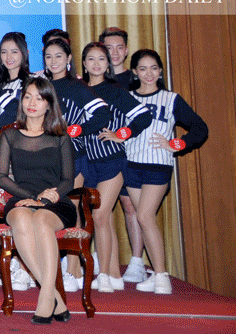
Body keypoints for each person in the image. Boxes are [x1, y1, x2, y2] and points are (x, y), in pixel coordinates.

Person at [0, 77, 77, 324]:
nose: (32, 103)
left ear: (49, 104)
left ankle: (45, 298)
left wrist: (48, 198)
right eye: (28, 97)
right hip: (22, 197)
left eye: (39, 98)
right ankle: (54, 297)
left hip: (56, 202)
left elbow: (68, 180)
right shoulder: (10, 136)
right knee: (21, 217)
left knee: (41, 219)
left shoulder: (60, 137)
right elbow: (1, 178)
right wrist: (32, 197)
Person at [125, 49, 207, 294]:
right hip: (131, 165)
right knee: (143, 218)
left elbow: (200, 128)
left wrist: (177, 144)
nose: (148, 73)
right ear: (135, 72)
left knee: (144, 216)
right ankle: (157, 274)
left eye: (153, 68)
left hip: (158, 165)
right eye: (143, 69)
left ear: (160, 71)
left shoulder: (171, 99)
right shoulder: (127, 98)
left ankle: (162, 276)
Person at [79, 41, 151, 293]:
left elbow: (143, 116)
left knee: (99, 216)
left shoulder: (116, 90)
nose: (96, 64)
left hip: (112, 160)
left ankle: (104, 276)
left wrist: (123, 134)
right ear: (84, 63)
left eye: (102, 59)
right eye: (91, 59)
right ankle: (113, 275)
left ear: (108, 64)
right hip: (87, 162)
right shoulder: (79, 89)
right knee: (104, 218)